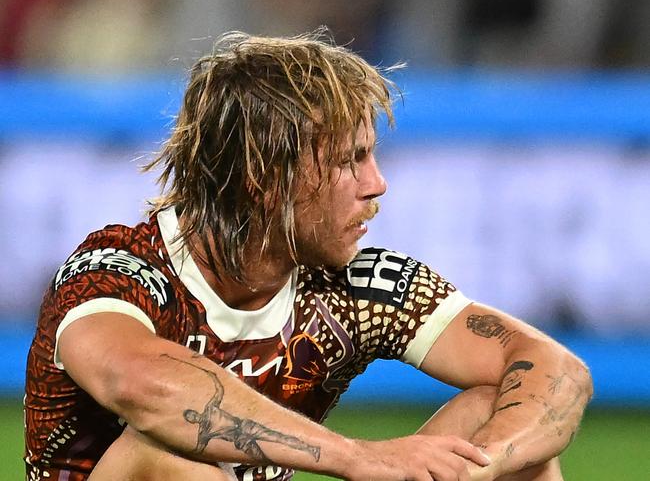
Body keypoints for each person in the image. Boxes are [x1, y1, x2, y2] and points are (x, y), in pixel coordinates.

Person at [24, 30, 592, 481]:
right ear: (264, 175)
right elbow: (140, 384)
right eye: (351, 161)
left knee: (498, 420)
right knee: (165, 460)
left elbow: (556, 371)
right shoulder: (119, 269)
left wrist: (482, 464)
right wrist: (359, 458)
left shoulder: (357, 284)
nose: (378, 184)